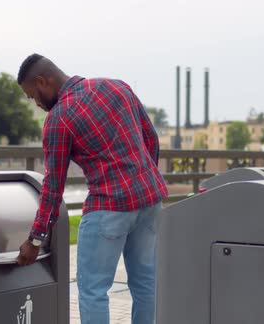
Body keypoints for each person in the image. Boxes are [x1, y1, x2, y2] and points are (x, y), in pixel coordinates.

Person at [15, 54, 168, 324]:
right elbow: (151, 139)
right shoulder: (118, 87)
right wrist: (143, 181)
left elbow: (52, 187)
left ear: (42, 81)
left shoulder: (59, 119)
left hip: (108, 207)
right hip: (150, 201)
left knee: (93, 290)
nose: (37, 103)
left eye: (33, 96)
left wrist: (35, 240)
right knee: (146, 283)